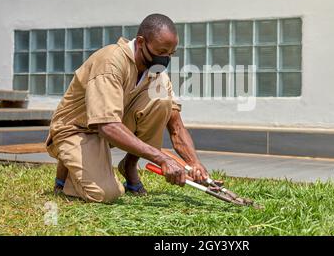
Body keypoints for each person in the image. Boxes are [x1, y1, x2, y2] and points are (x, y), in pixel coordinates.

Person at [45, 13, 210, 203]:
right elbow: (107, 126)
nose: (165, 59)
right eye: (161, 51)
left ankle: (129, 167)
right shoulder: (110, 62)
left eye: (170, 54)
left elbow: (176, 127)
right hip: (76, 129)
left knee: (162, 100)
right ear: (141, 42)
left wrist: (194, 163)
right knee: (107, 194)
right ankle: (65, 170)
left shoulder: (157, 75)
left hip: (109, 126)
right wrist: (162, 158)